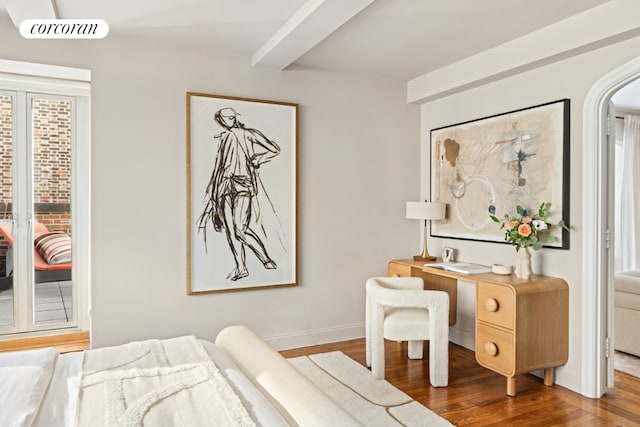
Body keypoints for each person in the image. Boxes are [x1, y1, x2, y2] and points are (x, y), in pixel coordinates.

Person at [198, 107, 280, 281]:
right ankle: (241, 267)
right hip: (223, 186)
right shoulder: (224, 137)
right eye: (220, 119)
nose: (222, 121)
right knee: (230, 230)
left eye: (224, 118)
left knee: (239, 230)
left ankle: (265, 259)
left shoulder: (248, 133)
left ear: (232, 118)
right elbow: (218, 168)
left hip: (243, 184)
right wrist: (213, 196)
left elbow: (274, 149)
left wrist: (258, 159)